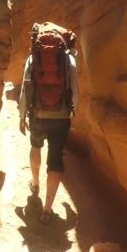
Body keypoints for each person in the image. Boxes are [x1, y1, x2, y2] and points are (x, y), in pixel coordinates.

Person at [18, 22, 78, 224]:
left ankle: (34, 184)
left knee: (35, 146)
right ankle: (47, 208)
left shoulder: (33, 58)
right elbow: (75, 90)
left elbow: (26, 86)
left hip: (37, 116)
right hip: (60, 118)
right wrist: (71, 113)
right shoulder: (68, 58)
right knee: (55, 160)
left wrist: (21, 115)